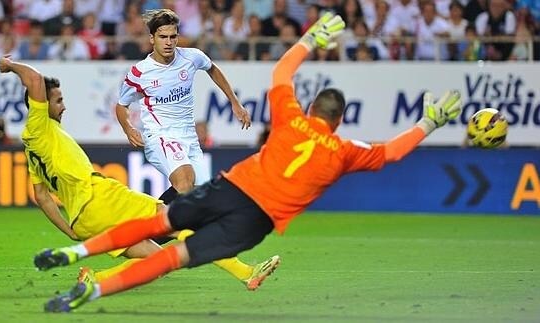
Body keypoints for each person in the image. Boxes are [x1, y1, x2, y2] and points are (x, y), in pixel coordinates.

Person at [34, 13, 463, 312]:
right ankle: (93, 292)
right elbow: (391, 152)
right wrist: (430, 121)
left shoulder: (289, 117)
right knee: (173, 252)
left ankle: (76, 253)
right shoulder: (344, 151)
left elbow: (280, 74)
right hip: (253, 221)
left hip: (232, 185)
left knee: (161, 220)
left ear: (310, 107)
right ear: (340, 120)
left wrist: (310, 39)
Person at [0, 54, 278, 290]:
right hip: (101, 199)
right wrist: (8, 64)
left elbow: (42, 197)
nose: (64, 105)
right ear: (40, 104)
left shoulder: (32, 148)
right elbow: (34, 80)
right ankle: (245, 272)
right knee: (178, 222)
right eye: (58, 101)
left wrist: (72, 231)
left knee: (162, 261)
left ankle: (93, 280)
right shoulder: (39, 126)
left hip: (85, 219)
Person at [115, 9, 250, 204]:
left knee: (202, 199)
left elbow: (212, 68)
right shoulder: (140, 72)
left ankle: (149, 232)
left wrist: (234, 102)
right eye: (163, 37)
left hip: (189, 138)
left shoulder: (191, 57)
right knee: (185, 180)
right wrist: (128, 128)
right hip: (160, 135)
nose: (168, 42)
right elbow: (121, 106)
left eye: (173, 36)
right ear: (152, 38)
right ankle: (149, 224)